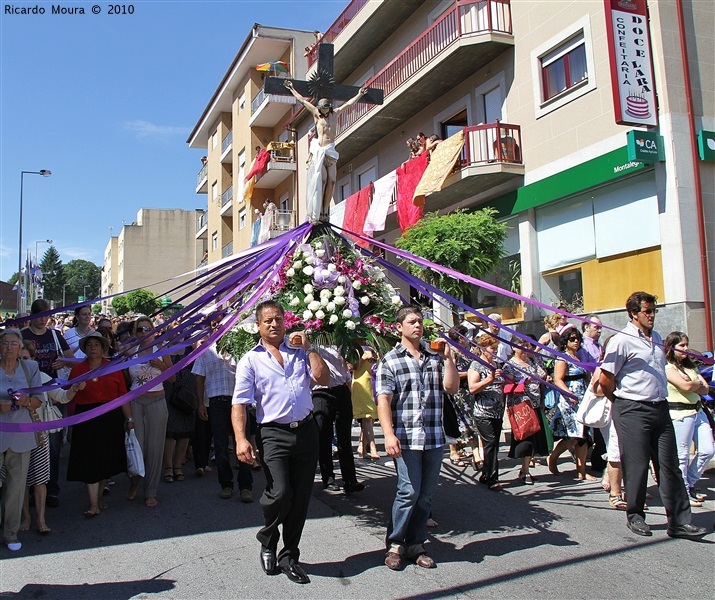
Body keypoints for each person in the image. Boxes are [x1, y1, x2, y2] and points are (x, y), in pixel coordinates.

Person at [231, 300, 329, 584]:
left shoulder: (300, 352)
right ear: (259, 326)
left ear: (286, 321)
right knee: (280, 492)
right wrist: (241, 439)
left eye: (278, 319)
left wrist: (309, 349)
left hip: (306, 430)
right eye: (268, 321)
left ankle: (289, 556)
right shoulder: (251, 359)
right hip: (272, 433)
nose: (274, 324)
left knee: (300, 497)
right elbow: (240, 403)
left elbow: (323, 378)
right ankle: (268, 539)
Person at [599, 291, 707, 539]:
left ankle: (679, 521)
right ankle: (635, 516)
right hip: (632, 409)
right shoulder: (621, 341)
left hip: (659, 408)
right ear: (633, 313)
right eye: (647, 311)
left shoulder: (656, 338)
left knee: (670, 467)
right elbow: (606, 379)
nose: (652, 316)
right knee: (636, 466)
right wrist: (619, 401)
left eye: (654, 311)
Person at [377, 305, 458, 571]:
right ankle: (395, 544)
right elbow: (384, 401)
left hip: (434, 437)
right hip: (406, 438)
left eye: (420, 321)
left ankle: (416, 543)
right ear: (399, 327)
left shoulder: (434, 357)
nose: (418, 325)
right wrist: (388, 435)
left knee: (426, 495)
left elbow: (451, 388)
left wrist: (449, 359)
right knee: (408, 492)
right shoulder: (390, 360)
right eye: (412, 321)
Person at [67, 332, 134, 517]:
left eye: (97, 345)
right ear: (85, 349)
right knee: (89, 460)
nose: (93, 348)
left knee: (106, 460)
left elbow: (123, 396)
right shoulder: (78, 370)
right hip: (86, 418)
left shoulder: (112, 368)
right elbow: (68, 397)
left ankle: (100, 497)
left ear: (103, 348)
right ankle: (93, 504)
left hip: (109, 418)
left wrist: (130, 420)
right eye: (89, 345)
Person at [284, 79, 368, 221]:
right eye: (322, 109)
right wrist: (292, 89)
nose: (324, 111)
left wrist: (359, 94)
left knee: (333, 180)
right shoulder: (316, 114)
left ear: (329, 107)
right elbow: (303, 102)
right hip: (320, 152)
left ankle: (325, 208)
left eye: (325, 109)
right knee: (322, 179)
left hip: (331, 151)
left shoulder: (335, 113)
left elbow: (348, 104)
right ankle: (320, 210)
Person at [21, 298, 75, 508]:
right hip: (27, 393)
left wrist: (64, 361)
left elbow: (70, 357)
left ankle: (51, 489)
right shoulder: (22, 335)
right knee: (28, 443)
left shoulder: (55, 334)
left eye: (47, 316)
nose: (44, 320)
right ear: (33, 315)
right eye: (40, 316)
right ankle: (30, 489)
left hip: (51, 394)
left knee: (52, 445)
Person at [192, 336, 254, 502]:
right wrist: (200, 403)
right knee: (220, 445)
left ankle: (246, 486)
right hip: (216, 401)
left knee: (242, 442)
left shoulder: (239, 343)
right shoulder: (205, 349)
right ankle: (226, 484)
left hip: (238, 402)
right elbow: (199, 378)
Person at [0, 328, 42, 551]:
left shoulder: (30, 367)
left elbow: (39, 401)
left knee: (16, 489)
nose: (9, 348)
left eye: (13, 344)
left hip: (21, 435)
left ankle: (11, 534)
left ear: (20, 347)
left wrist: (26, 401)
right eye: (5, 343)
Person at [125, 316, 173, 508]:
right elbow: (124, 382)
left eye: (148, 329)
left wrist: (161, 366)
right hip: (136, 402)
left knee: (154, 448)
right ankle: (135, 482)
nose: (144, 333)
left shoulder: (162, 351)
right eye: (140, 330)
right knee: (137, 447)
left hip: (157, 402)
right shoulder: (130, 352)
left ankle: (151, 490)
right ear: (134, 333)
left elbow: (173, 378)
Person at [664, 331, 713, 507]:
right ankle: (683, 490)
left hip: (698, 412)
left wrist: (694, 385)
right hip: (680, 414)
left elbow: (705, 389)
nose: (686, 348)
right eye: (681, 345)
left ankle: (690, 482)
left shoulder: (691, 366)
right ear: (672, 347)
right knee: (682, 455)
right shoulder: (668, 367)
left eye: (686, 344)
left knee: (708, 449)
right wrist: (695, 385)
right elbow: (684, 386)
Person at [312, 345, 364, 493]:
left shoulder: (342, 341)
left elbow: (353, 366)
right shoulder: (314, 343)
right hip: (320, 391)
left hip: (341, 389)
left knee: (345, 437)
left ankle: (350, 480)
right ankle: (328, 478)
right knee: (324, 437)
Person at [547, 327, 595, 480]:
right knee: (573, 435)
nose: (576, 342)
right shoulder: (563, 358)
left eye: (578, 339)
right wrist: (569, 393)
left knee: (584, 436)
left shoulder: (578, 358)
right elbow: (558, 379)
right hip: (569, 400)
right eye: (572, 339)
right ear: (565, 342)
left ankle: (581, 471)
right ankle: (553, 457)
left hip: (583, 398)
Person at [505, 338, 550, 484]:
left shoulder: (533, 361)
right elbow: (508, 385)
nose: (525, 348)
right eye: (521, 345)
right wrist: (523, 383)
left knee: (536, 436)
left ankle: (525, 469)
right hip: (522, 406)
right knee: (527, 438)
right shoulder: (510, 364)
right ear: (514, 347)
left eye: (527, 345)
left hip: (535, 403)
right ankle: (525, 470)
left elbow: (542, 374)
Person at [468, 334, 506, 490]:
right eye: (492, 349)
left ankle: (485, 474)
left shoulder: (497, 364)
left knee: (494, 444)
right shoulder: (476, 365)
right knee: (490, 443)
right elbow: (472, 388)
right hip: (483, 412)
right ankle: (492, 478)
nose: (495, 352)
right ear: (483, 349)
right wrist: (489, 379)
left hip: (497, 411)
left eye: (496, 349)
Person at [352, 347, 380, 460]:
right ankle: (373, 447)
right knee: (367, 417)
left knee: (370, 417)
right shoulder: (354, 348)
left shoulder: (374, 348)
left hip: (373, 383)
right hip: (361, 385)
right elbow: (350, 367)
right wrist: (363, 358)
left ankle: (362, 447)